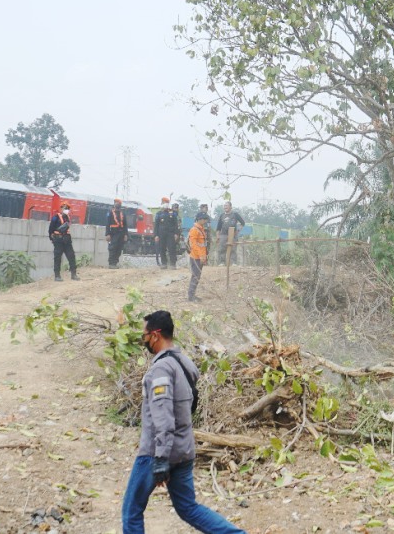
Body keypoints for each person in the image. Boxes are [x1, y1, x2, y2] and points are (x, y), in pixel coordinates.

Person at [122, 310, 246, 534]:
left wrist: (161, 459)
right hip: (184, 450)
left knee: (131, 511)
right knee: (188, 508)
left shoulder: (161, 369)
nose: (144, 341)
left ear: (155, 335)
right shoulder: (185, 363)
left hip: (156, 452)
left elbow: (163, 417)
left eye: (145, 336)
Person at [48, 203, 79, 281]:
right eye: (65, 208)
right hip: (58, 240)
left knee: (71, 256)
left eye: (67, 209)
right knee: (57, 258)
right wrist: (52, 239)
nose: (66, 210)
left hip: (67, 240)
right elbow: (50, 230)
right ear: (61, 208)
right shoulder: (55, 218)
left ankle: (74, 274)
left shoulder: (67, 217)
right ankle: (57, 276)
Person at [215, 202, 245, 266]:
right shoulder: (222, 215)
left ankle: (233, 263)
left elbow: (243, 223)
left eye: (227, 205)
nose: (225, 207)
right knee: (222, 249)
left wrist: (238, 230)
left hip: (233, 234)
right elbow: (218, 227)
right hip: (223, 234)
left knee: (233, 249)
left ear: (231, 207)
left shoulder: (235, 214)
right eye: (224, 206)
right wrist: (218, 236)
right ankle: (222, 263)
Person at [153, 198, 178, 269]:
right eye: (163, 203)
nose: (164, 204)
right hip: (161, 234)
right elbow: (156, 225)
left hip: (170, 234)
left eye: (166, 203)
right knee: (162, 249)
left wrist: (176, 233)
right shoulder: (159, 214)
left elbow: (175, 224)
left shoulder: (172, 213)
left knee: (172, 248)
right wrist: (156, 235)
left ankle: (173, 264)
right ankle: (164, 264)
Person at [106, 198, 128, 269]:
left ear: (120, 204)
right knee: (113, 248)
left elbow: (125, 225)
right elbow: (107, 224)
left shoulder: (123, 213)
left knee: (119, 249)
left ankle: (115, 263)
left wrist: (126, 234)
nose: (116, 204)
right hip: (113, 233)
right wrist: (107, 234)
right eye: (115, 202)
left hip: (121, 233)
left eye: (118, 203)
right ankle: (111, 263)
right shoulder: (110, 212)